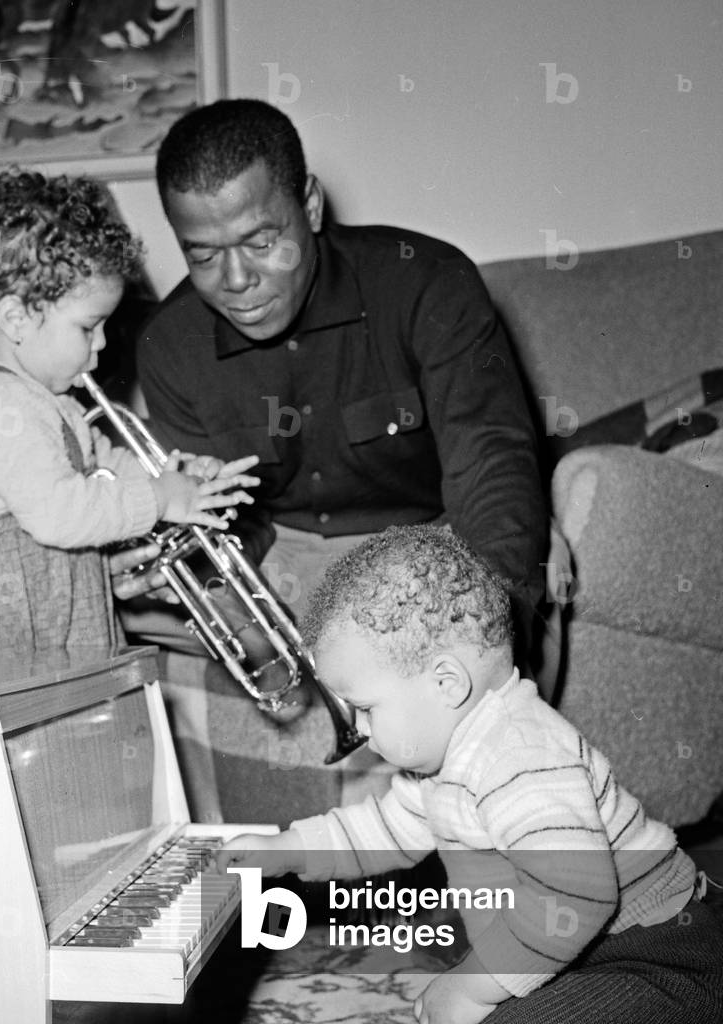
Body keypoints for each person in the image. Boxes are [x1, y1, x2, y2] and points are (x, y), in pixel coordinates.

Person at [124, 97, 549, 819]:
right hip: (287, 543)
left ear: (311, 205)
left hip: (433, 529)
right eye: (202, 253)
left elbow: (490, 464)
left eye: (261, 240)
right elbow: (234, 529)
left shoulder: (427, 282)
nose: (234, 280)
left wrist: (480, 624)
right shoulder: (170, 346)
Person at [218, 526, 723, 1024]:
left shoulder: (520, 754)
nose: (361, 731)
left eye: (365, 708)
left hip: (656, 952)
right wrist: (288, 849)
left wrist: (471, 984)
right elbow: (381, 829)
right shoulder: (443, 766)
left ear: (446, 683)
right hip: (571, 948)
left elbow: (576, 893)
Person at [0, 169, 259, 673]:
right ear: (15, 319)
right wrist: (160, 499)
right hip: (3, 632)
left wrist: (171, 477)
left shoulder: (46, 399)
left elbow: (101, 466)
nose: (102, 344)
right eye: (89, 327)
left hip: (51, 617)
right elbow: (60, 513)